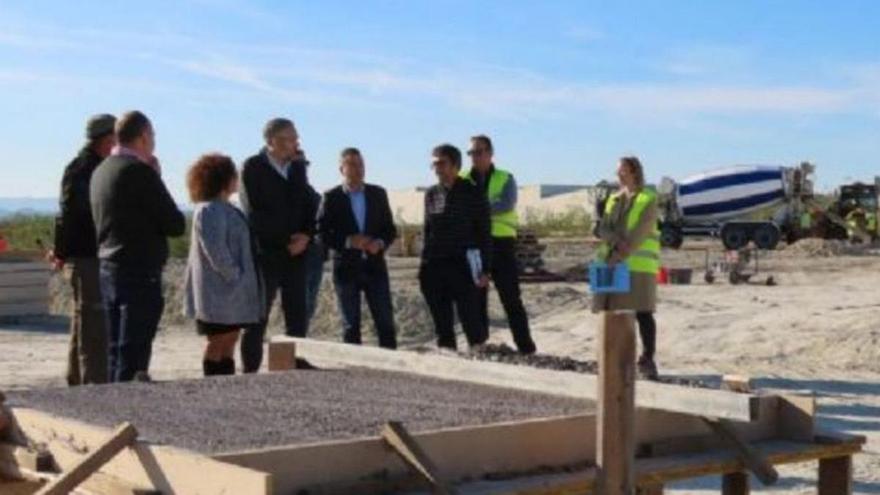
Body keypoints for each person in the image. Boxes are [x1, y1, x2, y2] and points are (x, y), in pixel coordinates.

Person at [90, 111, 185, 382]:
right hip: (139, 272)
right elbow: (175, 223)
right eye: (152, 136)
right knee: (134, 353)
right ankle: (128, 411)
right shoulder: (140, 172)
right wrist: (156, 177)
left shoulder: (101, 170)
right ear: (144, 136)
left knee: (114, 350)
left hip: (108, 267)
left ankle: (112, 408)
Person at [239, 118, 317, 372]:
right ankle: (251, 370)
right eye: (289, 139)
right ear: (272, 141)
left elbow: (308, 205)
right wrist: (285, 242)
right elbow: (255, 215)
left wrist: (306, 236)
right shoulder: (253, 167)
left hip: (297, 253)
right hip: (267, 254)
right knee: (258, 317)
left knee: (297, 314)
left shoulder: (297, 168)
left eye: (296, 138)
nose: (295, 144)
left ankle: (294, 367)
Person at [50, 113, 116, 386]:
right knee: (94, 328)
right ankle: (93, 389)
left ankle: (76, 383)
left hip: (85, 255)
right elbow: (70, 215)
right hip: (88, 256)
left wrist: (62, 252)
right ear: (107, 138)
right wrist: (62, 252)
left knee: (82, 322)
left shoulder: (84, 167)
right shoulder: (86, 170)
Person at [183, 154, 263, 376]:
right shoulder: (210, 210)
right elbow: (215, 250)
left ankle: (228, 382)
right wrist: (234, 275)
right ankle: (212, 383)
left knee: (230, 339)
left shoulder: (228, 208)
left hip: (232, 295)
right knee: (218, 340)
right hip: (218, 292)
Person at [463, 135, 536, 354]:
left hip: (501, 244)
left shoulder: (505, 178)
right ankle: (480, 346)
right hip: (474, 246)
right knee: (476, 299)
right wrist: (483, 207)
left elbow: (505, 204)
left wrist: (476, 208)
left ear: (490, 153)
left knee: (511, 299)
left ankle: (526, 348)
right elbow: (460, 205)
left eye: (479, 152)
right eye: (471, 153)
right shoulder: (463, 179)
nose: (474, 157)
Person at [318, 148, 398, 349]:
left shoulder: (378, 194)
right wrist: (348, 241)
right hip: (346, 269)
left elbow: (389, 229)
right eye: (352, 164)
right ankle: (354, 375)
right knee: (351, 325)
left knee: (385, 322)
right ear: (341, 169)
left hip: (375, 267)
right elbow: (321, 233)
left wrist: (379, 243)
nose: (358, 169)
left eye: (360, 164)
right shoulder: (332, 197)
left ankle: (392, 370)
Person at [593, 156, 661, 380]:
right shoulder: (613, 199)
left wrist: (622, 251)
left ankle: (647, 359)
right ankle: (613, 358)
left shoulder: (648, 199)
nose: (619, 175)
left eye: (622, 171)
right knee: (610, 311)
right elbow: (603, 229)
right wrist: (613, 244)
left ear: (634, 172)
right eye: (617, 171)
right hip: (609, 261)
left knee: (642, 312)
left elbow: (640, 232)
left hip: (637, 264)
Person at [419, 144, 491, 350]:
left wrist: (485, 269)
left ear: (456, 166)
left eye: (441, 163)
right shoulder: (431, 194)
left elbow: (484, 234)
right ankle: (448, 371)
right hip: (435, 267)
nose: (437, 168)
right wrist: (424, 267)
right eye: (434, 164)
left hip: (464, 268)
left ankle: (480, 368)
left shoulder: (473, 193)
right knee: (443, 327)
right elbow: (428, 231)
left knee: (472, 324)